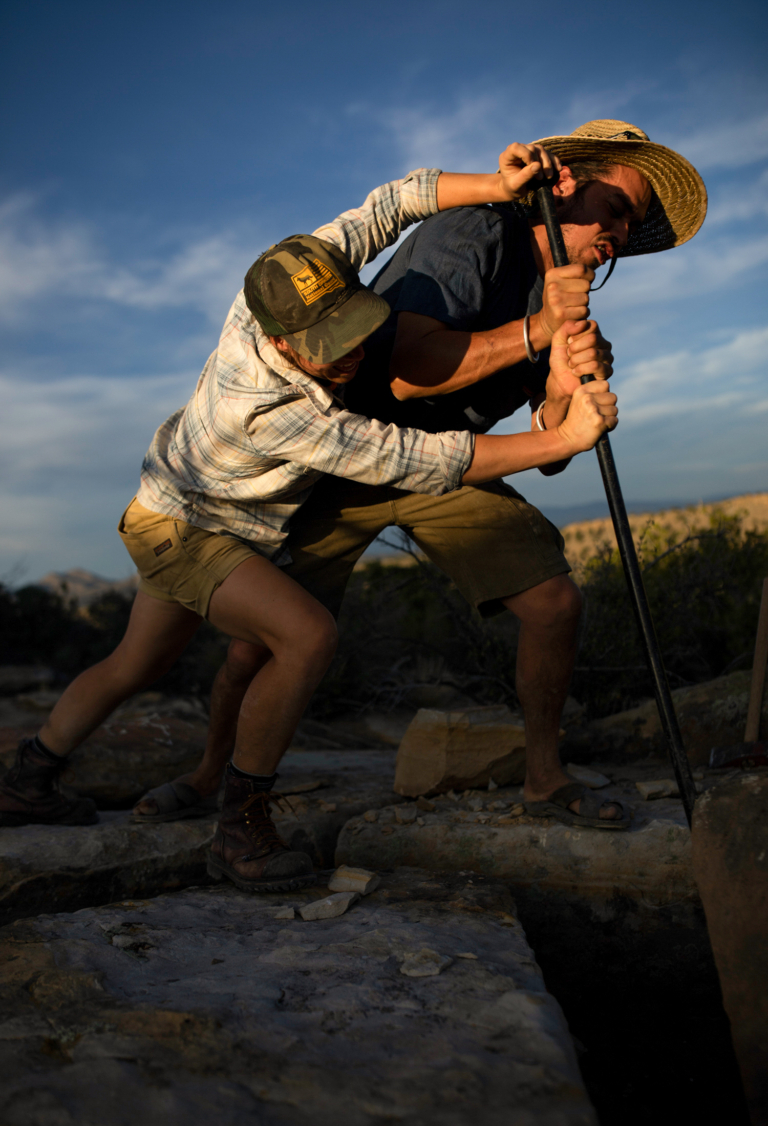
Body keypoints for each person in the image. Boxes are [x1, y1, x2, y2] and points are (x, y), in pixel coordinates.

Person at [0, 144, 620, 893]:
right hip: (191, 529)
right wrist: (563, 438)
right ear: (278, 341)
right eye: (330, 350)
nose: (353, 355)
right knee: (305, 634)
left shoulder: (290, 274)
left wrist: (496, 182)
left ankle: (28, 777)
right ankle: (239, 831)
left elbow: (390, 204)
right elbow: (417, 460)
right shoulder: (274, 409)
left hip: (175, 503)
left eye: (357, 328)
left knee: (137, 663)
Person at [127, 119, 706, 835]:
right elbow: (407, 375)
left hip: (450, 462)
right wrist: (538, 333)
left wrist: (562, 386)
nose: (618, 232)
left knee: (554, 603)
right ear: (563, 186)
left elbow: (552, 451)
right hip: (340, 459)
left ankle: (544, 775)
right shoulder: (472, 233)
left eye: (632, 223)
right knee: (260, 641)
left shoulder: (564, 287)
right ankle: (211, 774)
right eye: (613, 206)